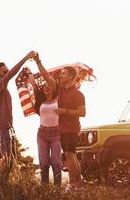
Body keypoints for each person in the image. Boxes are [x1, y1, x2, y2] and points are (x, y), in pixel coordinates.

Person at [32, 52, 86, 191]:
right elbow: (46, 76)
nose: (60, 76)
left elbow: (82, 112)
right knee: (71, 155)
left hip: (72, 128)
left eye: (63, 74)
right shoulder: (61, 89)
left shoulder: (78, 94)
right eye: (61, 74)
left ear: (71, 77)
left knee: (69, 154)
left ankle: (73, 184)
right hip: (62, 129)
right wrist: (38, 62)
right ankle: (78, 184)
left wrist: (65, 112)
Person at [0, 51, 35, 158]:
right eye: (4, 71)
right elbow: (11, 74)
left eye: (7, 70)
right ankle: (0, 175)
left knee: (9, 159)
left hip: (7, 128)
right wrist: (25, 58)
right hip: (1, 128)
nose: (7, 72)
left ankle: (3, 175)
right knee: (5, 158)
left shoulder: (5, 89)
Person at [28, 58, 62, 186]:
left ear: (53, 88)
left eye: (49, 85)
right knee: (44, 162)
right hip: (42, 133)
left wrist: (38, 61)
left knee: (56, 162)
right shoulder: (40, 101)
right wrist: (31, 79)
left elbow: (47, 77)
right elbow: (34, 85)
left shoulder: (58, 98)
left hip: (56, 133)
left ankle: (57, 188)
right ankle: (45, 188)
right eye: (44, 86)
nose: (47, 87)